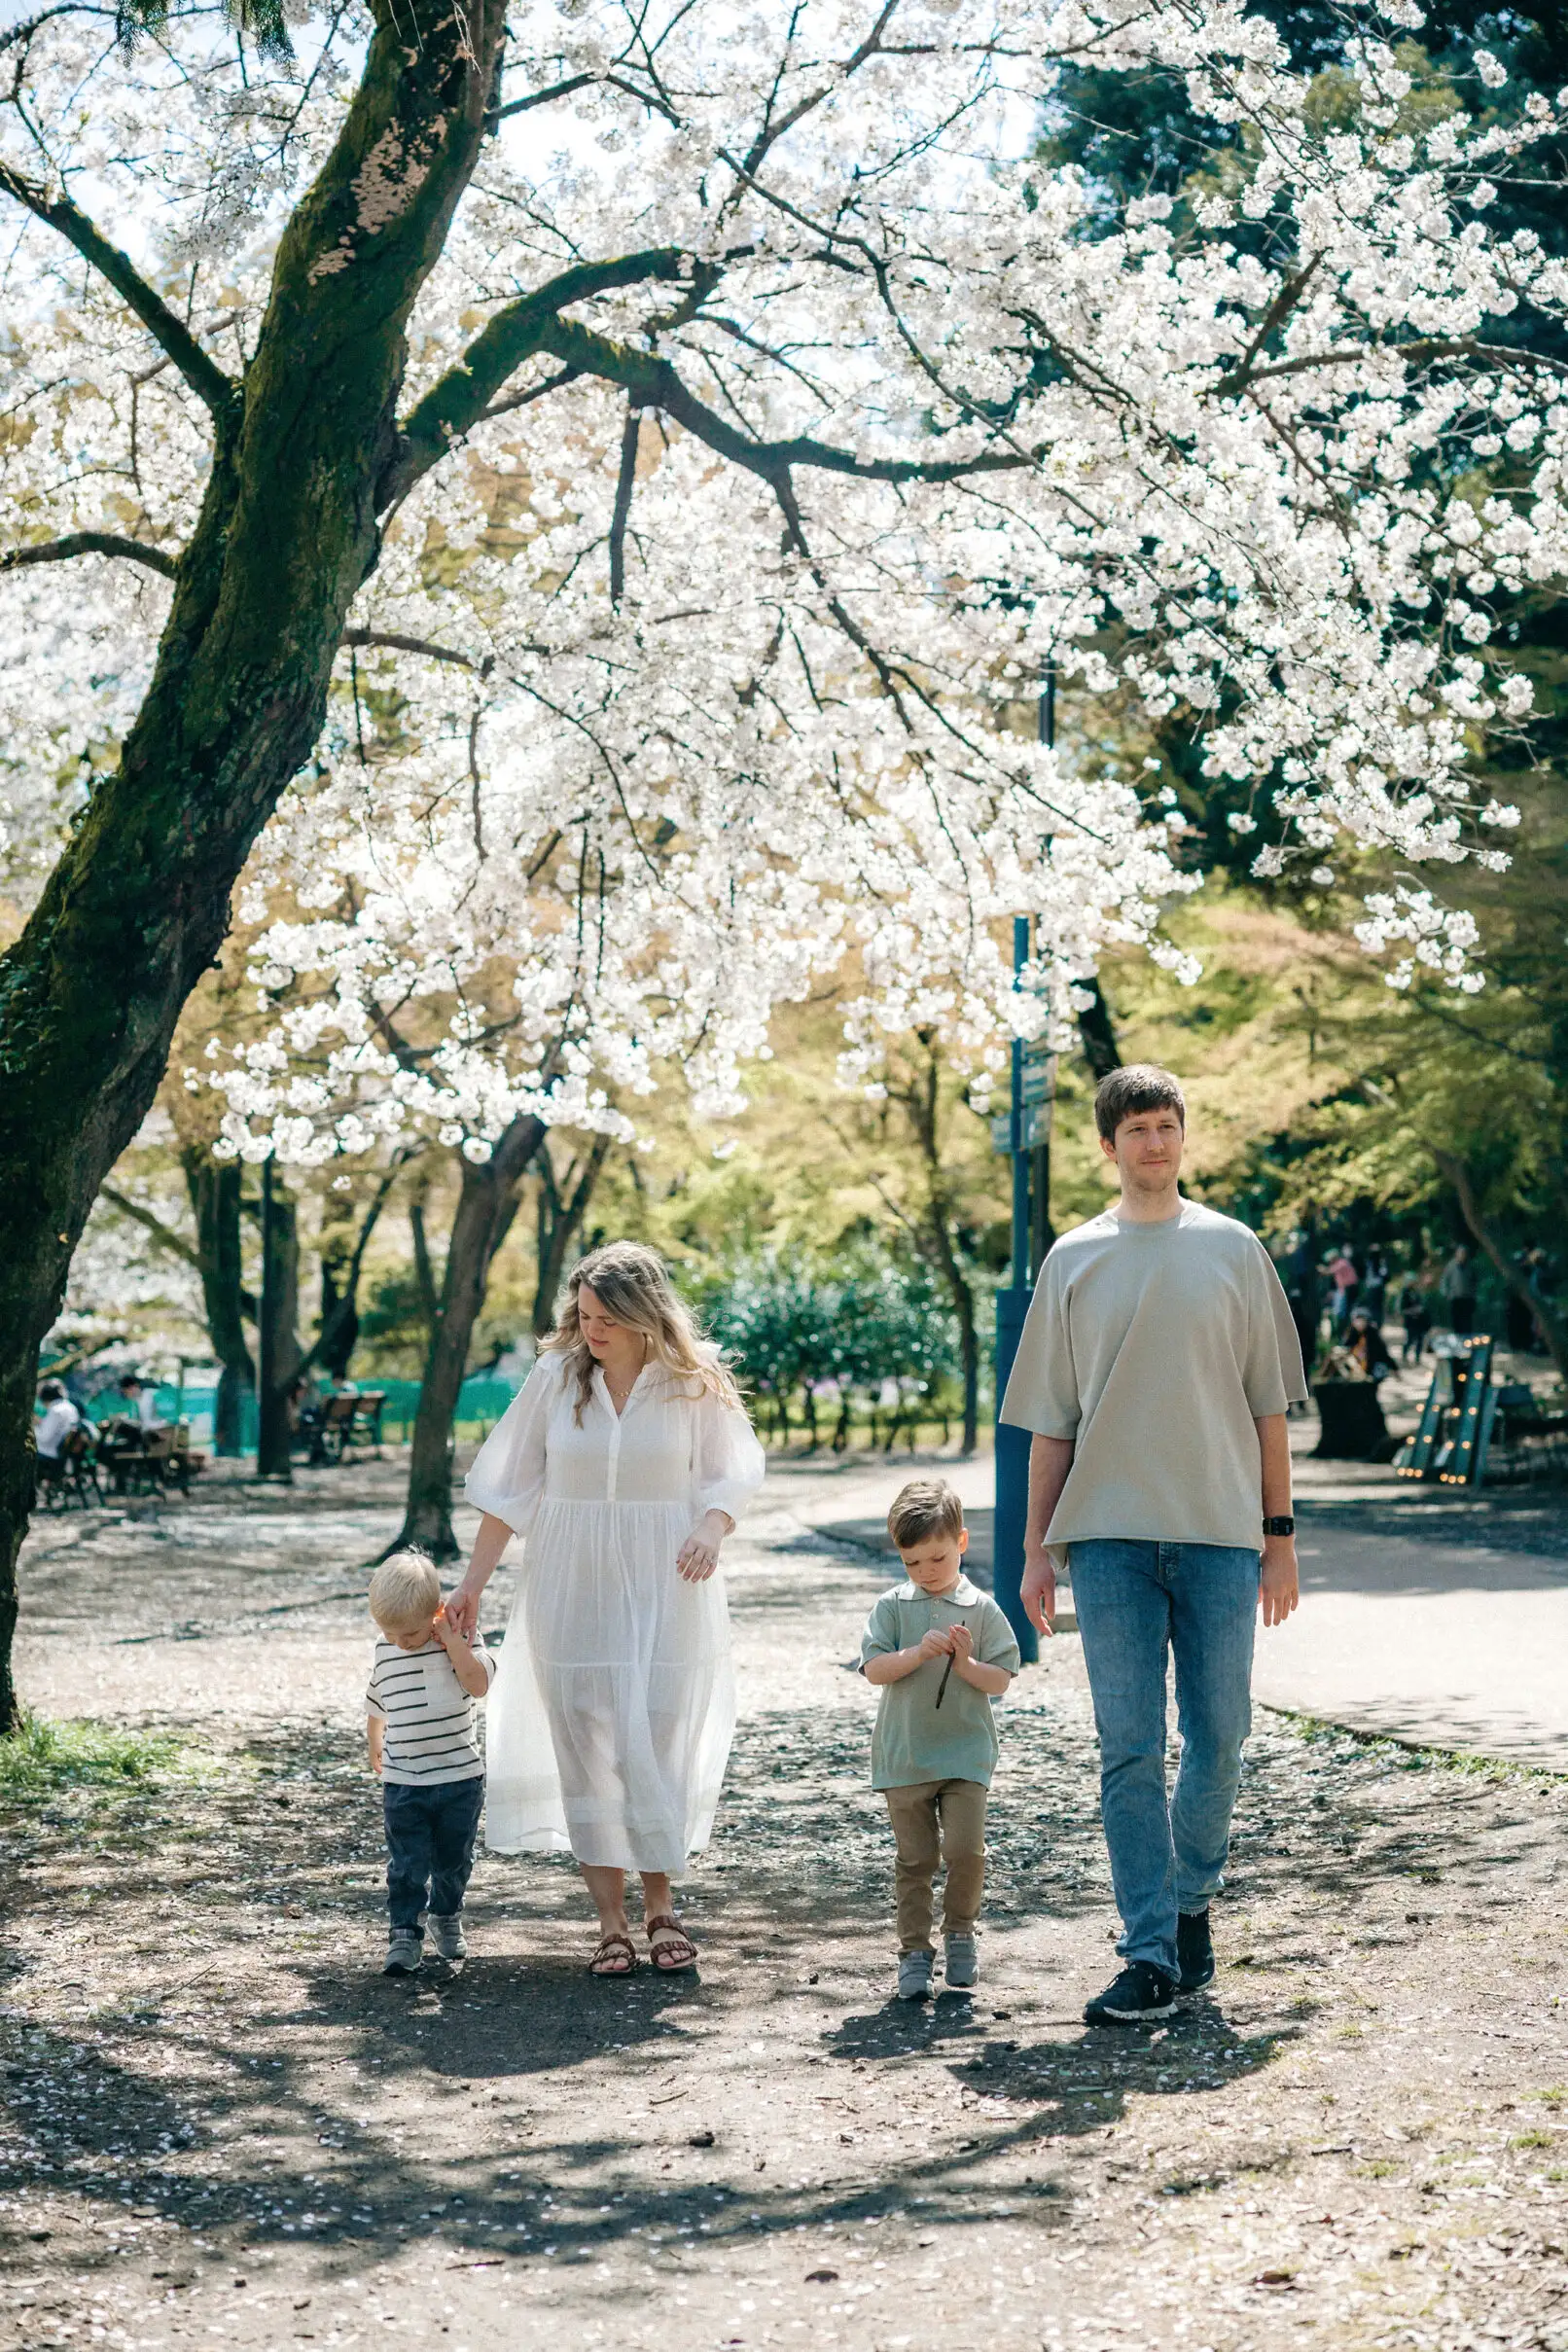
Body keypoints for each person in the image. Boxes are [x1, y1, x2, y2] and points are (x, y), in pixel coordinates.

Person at [1002, 1065, 1306, 2027]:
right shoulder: (1072, 1259)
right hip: (1108, 1543)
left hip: (1220, 1536)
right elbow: (1049, 1424)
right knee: (1127, 1747)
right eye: (1136, 1128)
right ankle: (1145, 1952)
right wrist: (1033, 1553)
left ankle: (1187, 1901)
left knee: (1220, 1735)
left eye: (1168, 1126)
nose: (1155, 1143)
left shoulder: (1232, 1248)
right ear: (1108, 1145)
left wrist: (1281, 1538)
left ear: (1183, 1137)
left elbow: (1267, 1407)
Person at [445, 1241, 766, 1978]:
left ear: (643, 1316)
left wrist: (711, 1526)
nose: (592, 1330)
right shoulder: (557, 1376)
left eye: (606, 1319)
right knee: (584, 1740)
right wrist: (472, 1585)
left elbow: (733, 1469)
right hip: (571, 1578)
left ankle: (662, 1910)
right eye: (584, 1315)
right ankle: (611, 1923)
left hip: (666, 1581)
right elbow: (510, 1489)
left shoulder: (693, 1378)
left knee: (655, 1735)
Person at [860, 1479, 1019, 2002]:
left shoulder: (982, 1608)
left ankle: (960, 1934)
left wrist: (966, 1663)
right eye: (913, 1564)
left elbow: (1000, 1679)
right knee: (915, 1859)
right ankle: (912, 1951)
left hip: (966, 1753)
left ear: (962, 1543)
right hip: (905, 1756)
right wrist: (917, 1654)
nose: (927, 1573)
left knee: (965, 1850)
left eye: (938, 1558)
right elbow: (875, 1669)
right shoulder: (892, 1607)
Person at [366, 1550, 496, 1977]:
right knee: (406, 1864)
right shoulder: (386, 1653)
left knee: (453, 1859)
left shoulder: (462, 1642)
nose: (401, 1642)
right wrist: (374, 1743)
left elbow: (477, 1685)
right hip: (404, 1782)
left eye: (412, 1632)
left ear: (437, 1613)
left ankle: (446, 1915)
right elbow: (377, 1704)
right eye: (391, 1634)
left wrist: (451, 1640)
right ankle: (403, 1933)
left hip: (459, 1778)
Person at [34, 1379, 81, 1461]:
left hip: (47, 1454)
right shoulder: (71, 1407)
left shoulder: (56, 1411)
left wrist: (32, 1426)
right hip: (61, 1455)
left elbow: (44, 1437)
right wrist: (40, 1422)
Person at [1439, 1242, 1478, 1336]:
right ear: (1457, 1253)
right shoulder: (1451, 1266)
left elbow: (1474, 1282)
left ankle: (1467, 1340)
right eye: (1460, 1253)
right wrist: (1446, 1293)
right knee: (1456, 1321)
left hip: (1468, 1298)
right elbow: (1444, 1280)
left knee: (1468, 1321)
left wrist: (1474, 1294)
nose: (1462, 1255)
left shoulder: (1470, 1266)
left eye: (1464, 1253)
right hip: (1455, 1298)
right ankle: (1458, 1339)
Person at [1397, 1274, 1432, 1365]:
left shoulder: (1416, 1292)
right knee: (1410, 1340)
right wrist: (1413, 1310)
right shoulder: (1405, 1293)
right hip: (1410, 1320)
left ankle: (1417, 1358)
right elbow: (1402, 1309)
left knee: (1420, 1340)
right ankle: (1404, 1356)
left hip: (1419, 1320)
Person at [1325, 1248, 1359, 1334]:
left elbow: (1328, 1271)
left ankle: (1345, 1332)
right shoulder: (1339, 1264)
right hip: (1345, 1290)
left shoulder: (1342, 1263)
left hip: (1350, 1290)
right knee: (1341, 1312)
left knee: (1346, 1313)